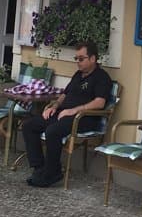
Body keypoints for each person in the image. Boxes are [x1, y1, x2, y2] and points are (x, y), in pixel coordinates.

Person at [20, 40, 113, 187]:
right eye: (76, 59)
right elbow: (65, 94)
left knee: (53, 131)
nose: (78, 62)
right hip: (64, 114)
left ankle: (53, 172)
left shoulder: (101, 77)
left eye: (81, 59)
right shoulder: (78, 75)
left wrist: (74, 110)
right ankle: (39, 168)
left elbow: (100, 102)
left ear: (93, 58)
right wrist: (54, 106)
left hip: (84, 119)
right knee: (29, 125)